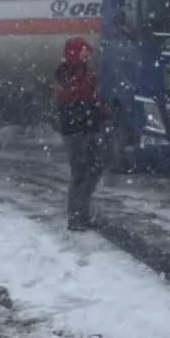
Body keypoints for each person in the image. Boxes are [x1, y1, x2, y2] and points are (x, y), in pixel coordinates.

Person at [53, 37, 105, 230]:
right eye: (84, 51)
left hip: (86, 126)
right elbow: (75, 95)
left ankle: (82, 213)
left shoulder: (84, 71)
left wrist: (99, 109)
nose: (88, 54)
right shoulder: (68, 71)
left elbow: (87, 97)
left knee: (93, 169)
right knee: (81, 173)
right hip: (75, 129)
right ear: (75, 52)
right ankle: (76, 217)